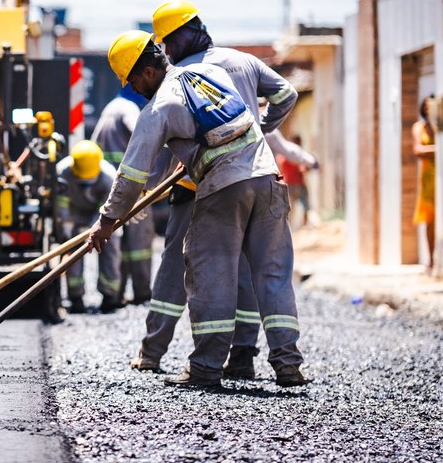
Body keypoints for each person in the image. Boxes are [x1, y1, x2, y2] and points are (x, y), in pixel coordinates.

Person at [89, 30, 307, 388]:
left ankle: (205, 368)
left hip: (223, 190)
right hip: (268, 179)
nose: (134, 90)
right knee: (273, 275)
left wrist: (106, 221)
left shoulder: (158, 107)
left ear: (145, 73)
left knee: (211, 275)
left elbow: (130, 174)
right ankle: (288, 364)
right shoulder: (213, 74)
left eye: (132, 82)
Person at [91, 85, 154, 305]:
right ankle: (142, 292)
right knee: (139, 243)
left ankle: (115, 293)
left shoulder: (110, 107)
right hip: (131, 187)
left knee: (119, 244)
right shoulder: (128, 109)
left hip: (110, 186)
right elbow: (142, 132)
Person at [56, 140, 123, 313]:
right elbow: (61, 204)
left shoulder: (109, 176)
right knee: (72, 254)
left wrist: (95, 229)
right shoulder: (62, 172)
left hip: (100, 217)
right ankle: (75, 296)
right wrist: (67, 226)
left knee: (111, 246)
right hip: (74, 217)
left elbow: (107, 209)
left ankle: (110, 295)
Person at [411, 96, 436, 270]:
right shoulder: (419, 128)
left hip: (440, 174)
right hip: (428, 177)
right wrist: (437, 149)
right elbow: (418, 149)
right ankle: (431, 259)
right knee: (430, 219)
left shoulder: (437, 127)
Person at [277, 135, 315, 228]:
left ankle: (289, 228)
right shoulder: (300, 155)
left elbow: (280, 170)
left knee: (290, 209)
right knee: (305, 206)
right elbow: (309, 166)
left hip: (289, 185)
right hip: (298, 184)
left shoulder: (284, 156)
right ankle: (304, 226)